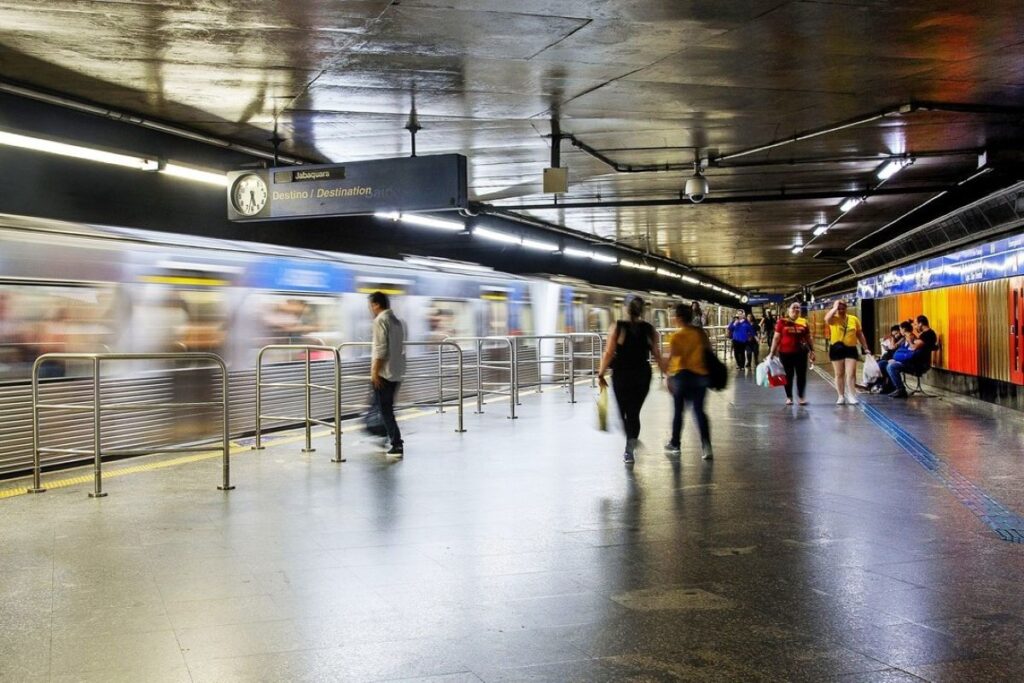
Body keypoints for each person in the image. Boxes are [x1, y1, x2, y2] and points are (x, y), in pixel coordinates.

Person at [597, 295, 666, 464]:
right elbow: (657, 354)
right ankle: (630, 447)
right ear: (642, 310)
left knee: (623, 412)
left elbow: (608, 352)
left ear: (626, 309)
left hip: (622, 374)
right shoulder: (649, 329)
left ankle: (629, 442)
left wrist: (600, 373)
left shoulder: (618, 327)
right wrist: (668, 374)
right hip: (642, 374)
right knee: (634, 412)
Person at [663, 303, 713, 460]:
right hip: (700, 376)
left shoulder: (676, 337)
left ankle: (675, 444)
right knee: (699, 411)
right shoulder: (700, 334)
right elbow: (709, 352)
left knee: (678, 411)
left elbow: (671, 359)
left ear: (678, 318)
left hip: (681, 377)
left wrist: (667, 377)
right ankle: (706, 446)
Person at [368, 291, 406, 457]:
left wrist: (375, 372)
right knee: (386, 408)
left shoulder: (380, 320)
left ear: (376, 304)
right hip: (397, 371)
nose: (371, 309)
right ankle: (389, 437)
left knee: (385, 410)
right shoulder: (397, 321)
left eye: (371, 305)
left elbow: (381, 349)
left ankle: (396, 443)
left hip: (385, 373)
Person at [768, 302, 815, 405]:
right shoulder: (782, 322)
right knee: (788, 376)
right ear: (789, 310)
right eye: (794, 308)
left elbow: (808, 337)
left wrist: (812, 350)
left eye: (798, 308)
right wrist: (772, 353)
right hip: (785, 353)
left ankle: (801, 397)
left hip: (801, 353)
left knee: (801, 375)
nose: (796, 310)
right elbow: (776, 338)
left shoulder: (804, 322)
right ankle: (789, 397)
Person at [823, 300, 869, 405]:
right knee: (839, 374)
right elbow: (826, 319)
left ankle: (852, 395)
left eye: (843, 308)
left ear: (846, 308)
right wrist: (834, 308)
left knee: (851, 373)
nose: (841, 310)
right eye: (839, 308)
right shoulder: (833, 319)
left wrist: (865, 347)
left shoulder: (853, 319)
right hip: (836, 348)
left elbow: (860, 334)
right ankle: (841, 396)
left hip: (851, 348)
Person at [885, 315, 937, 399]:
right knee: (886, 364)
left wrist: (909, 341)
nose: (915, 327)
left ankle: (900, 389)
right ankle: (891, 387)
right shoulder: (924, 334)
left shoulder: (928, 335)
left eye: (916, 324)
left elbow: (913, 347)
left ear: (920, 324)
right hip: (913, 361)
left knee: (891, 367)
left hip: (919, 364)